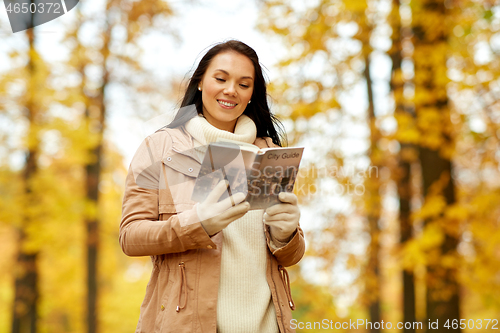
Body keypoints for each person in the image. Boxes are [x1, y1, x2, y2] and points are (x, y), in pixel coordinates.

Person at [120, 40, 305, 333]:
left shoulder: (269, 153)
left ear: (251, 95)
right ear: (200, 82)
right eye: (221, 79)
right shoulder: (159, 148)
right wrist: (196, 224)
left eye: (244, 84)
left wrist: (286, 235)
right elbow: (130, 236)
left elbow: (289, 257)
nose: (231, 90)